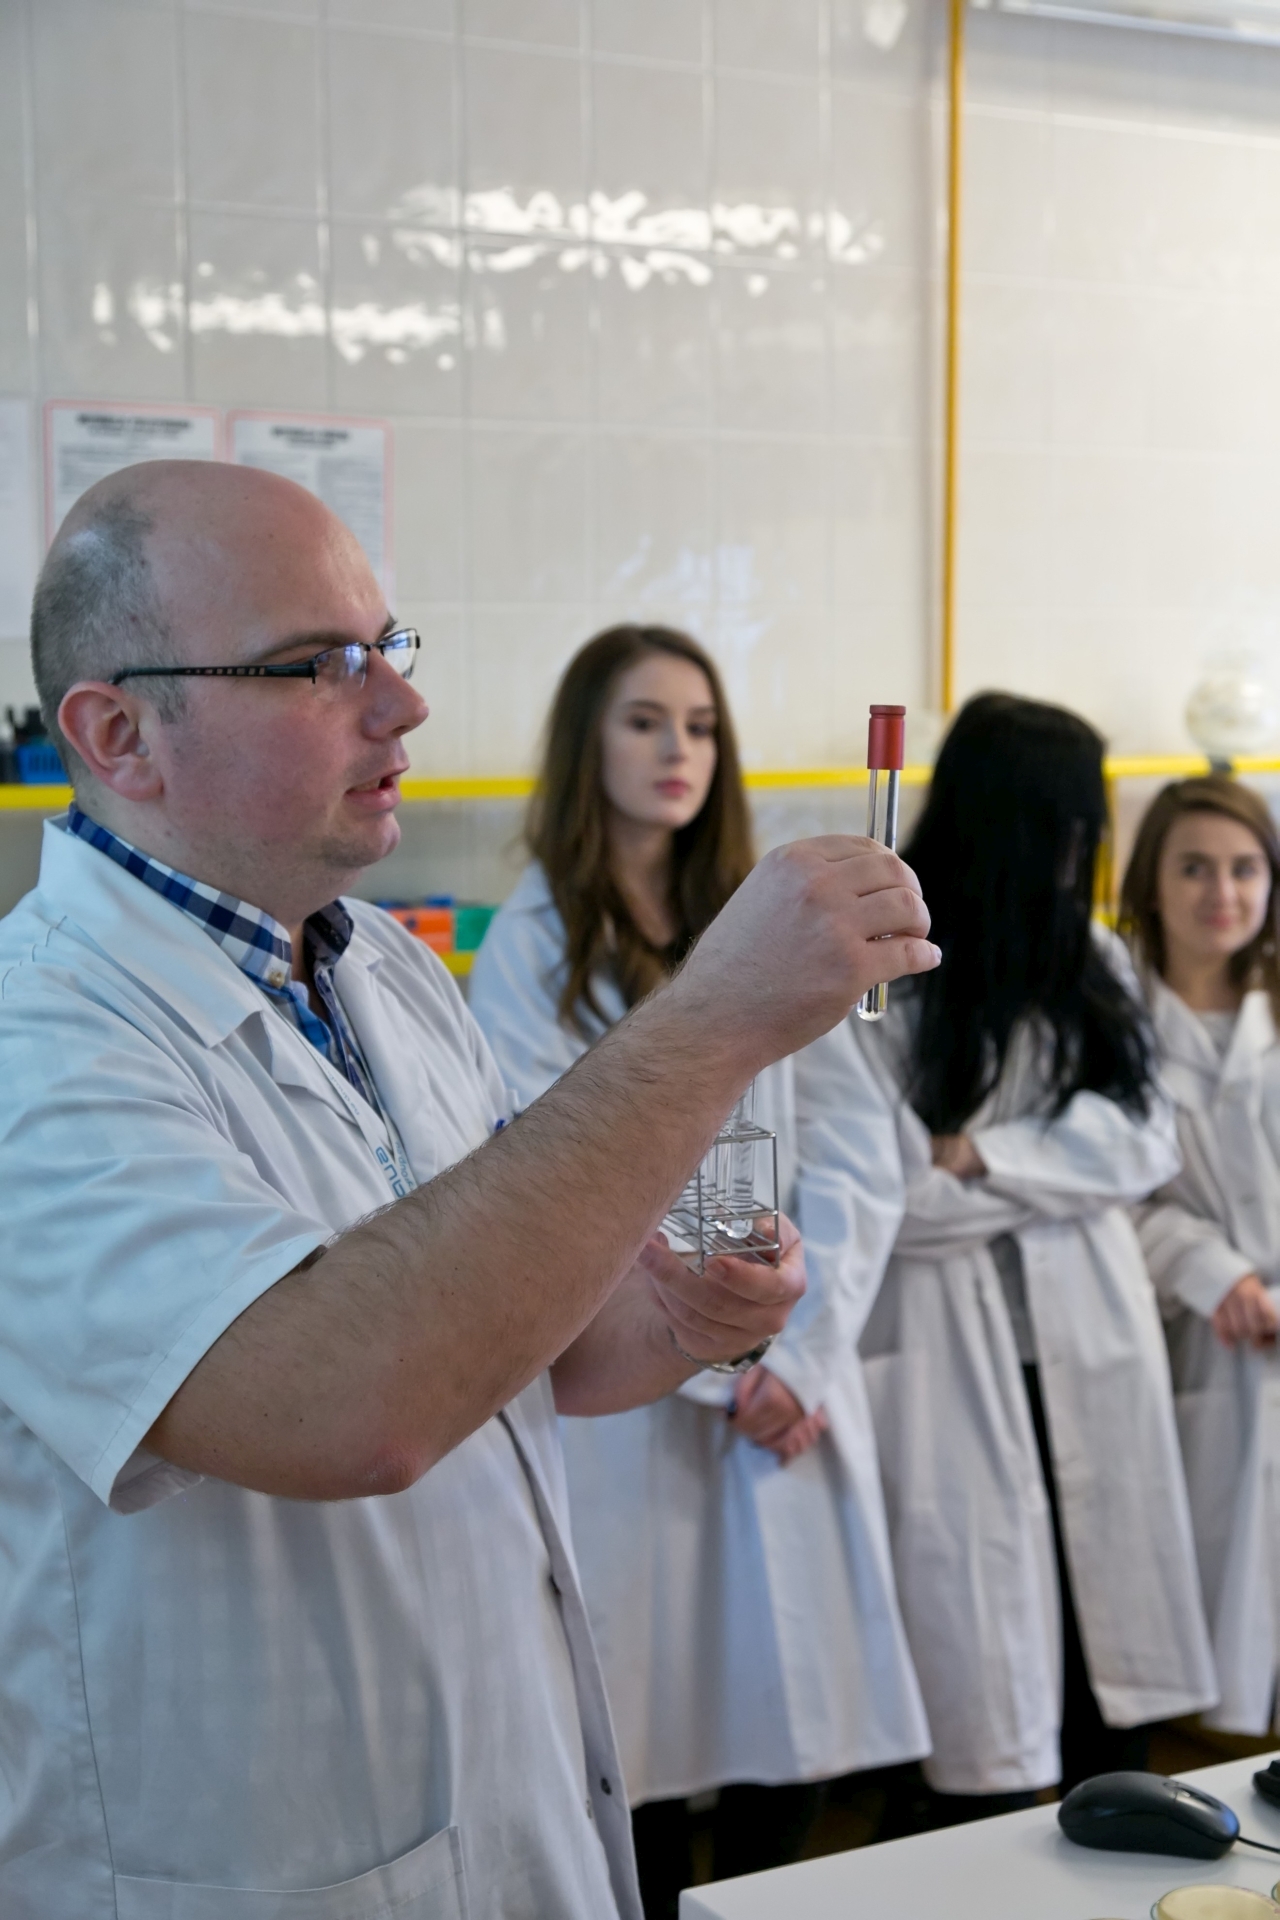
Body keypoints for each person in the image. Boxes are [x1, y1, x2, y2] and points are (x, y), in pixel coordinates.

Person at [0, 462, 940, 1919]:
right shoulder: (38, 1041)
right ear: (118, 734)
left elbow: (525, 1337)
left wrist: (677, 1315)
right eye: (319, 665)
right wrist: (713, 1018)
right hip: (253, 1866)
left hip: (513, 1819)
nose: (402, 703)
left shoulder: (380, 968)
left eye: (388, 646)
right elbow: (345, 1400)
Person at [469, 625, 929, 1915]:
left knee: (794, 1724)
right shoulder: (531, 943)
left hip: (784, 1386)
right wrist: (706, 1352)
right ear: (585, 744)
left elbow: (860, 1149)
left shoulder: (766, 922)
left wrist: (796, 1354)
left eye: (701, 725)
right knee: (644, 1740)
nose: (678, 749)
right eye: (643, 720)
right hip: (628, 1392)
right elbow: (539, 1171)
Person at [795, 692, 1216, 1817]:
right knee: (972, 1673)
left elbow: (1143, 1144)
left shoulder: (1093, 961)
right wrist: (1051, 1177)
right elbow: (895, 1197)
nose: (1079, 853)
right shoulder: (888, 975)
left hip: (1088, 1337)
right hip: (946, 1348)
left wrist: (980, 1155)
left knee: (1094, 1663)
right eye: (1064, 826)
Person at [1122, 775, 1280, 1736]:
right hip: (1194, 1339)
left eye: (1245, 868)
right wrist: (1210, 1267)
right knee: (1208, 1646)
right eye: (1194, 868)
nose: (1222, 892)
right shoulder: (1116, 1023)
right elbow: (1099, 1197)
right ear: (1151, 880)